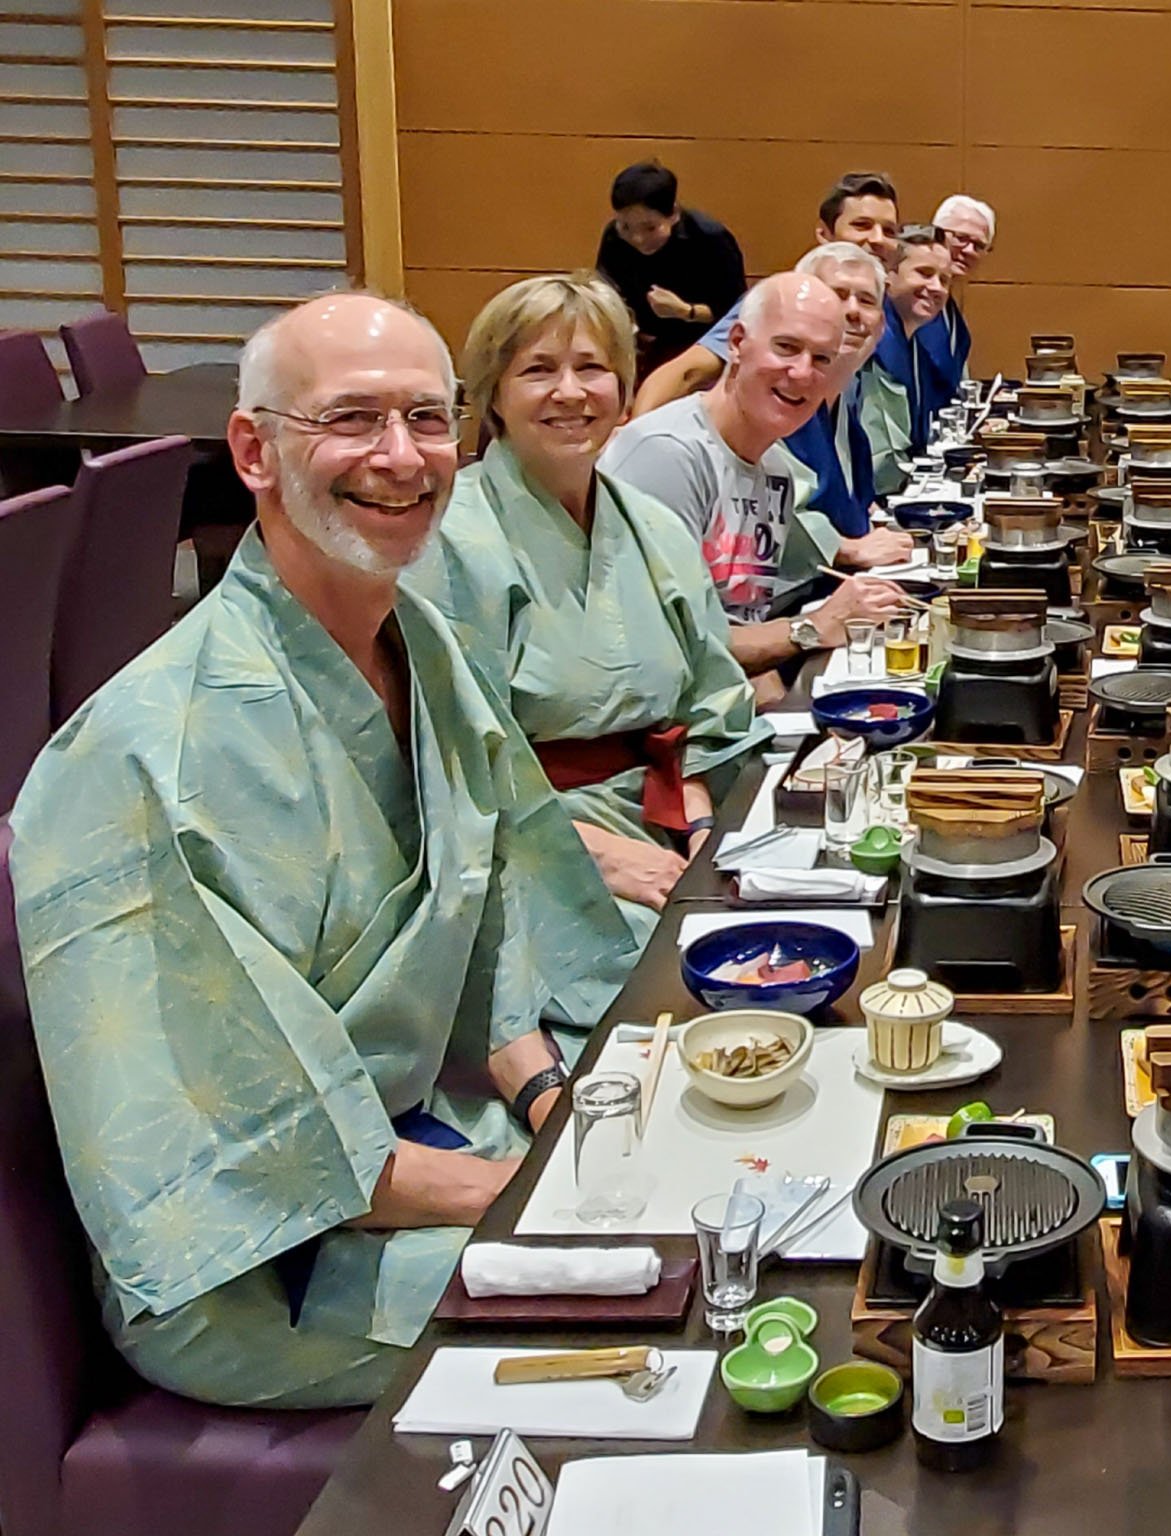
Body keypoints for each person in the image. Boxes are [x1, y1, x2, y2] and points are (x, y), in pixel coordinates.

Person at [7, 293, 640, 1408]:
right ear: (253, 449)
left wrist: (549, 1103)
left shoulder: (419, 640)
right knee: (669, 1280)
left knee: (693, 1148)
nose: (401, 459)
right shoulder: (147, 751)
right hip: (258, 1253)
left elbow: (487, 909)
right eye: (352, 421)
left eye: (427, 420)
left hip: (420, 1129)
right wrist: (531, 1188)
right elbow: (243, 1150)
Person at [407, 272, 772, 937]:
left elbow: (711, 703)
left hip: (668, 827)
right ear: (493, 394)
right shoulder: (451, 540)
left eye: (593, 368)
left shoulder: (653, 527)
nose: (570, 392)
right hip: (525, 855)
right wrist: (599, 855)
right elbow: (445, 767)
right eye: (539, 370)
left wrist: (695, 813)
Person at [599, 272, 905, 679]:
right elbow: (664, 644)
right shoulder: (668, 454)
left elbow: (742, 623)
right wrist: (811, 628)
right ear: (737, 343)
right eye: (786, 348)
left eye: (821, 360)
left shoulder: (776, 471)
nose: (801, 373)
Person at [633, 171, 901, 414]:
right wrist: (631, 439)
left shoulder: (876, 310)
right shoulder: (783, 300)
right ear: (824, 233)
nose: (878, 239)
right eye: (862, 225)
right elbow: (686, 372)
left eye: (888, 230)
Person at [781, 242, 892, 540]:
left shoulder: (846, 404)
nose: (853, 311)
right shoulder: (778, 396)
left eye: (867, 301)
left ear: (880, 326)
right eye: (837, 295)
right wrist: (846, 550)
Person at [593, 160, 746, 375]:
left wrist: (685, 311)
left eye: (650, 228)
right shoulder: (615, 237)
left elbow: (735, 310)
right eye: (626, 226)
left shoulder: (710, 238)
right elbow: (606, 290)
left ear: (673, 214)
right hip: (639, 345)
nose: (637, 238)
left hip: (702, 344)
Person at [859, 226, 952, 497]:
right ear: (889, 275)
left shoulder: (915, 344)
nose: (935, 287)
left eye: (944, 280)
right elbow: (882, 464)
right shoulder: (870, 343)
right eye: (924, 273)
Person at [923, 193, 995, 394]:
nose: (969, 250)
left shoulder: (950, 311)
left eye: (979, 246)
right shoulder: (912, 303)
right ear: (935, 235)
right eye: (961, 238)